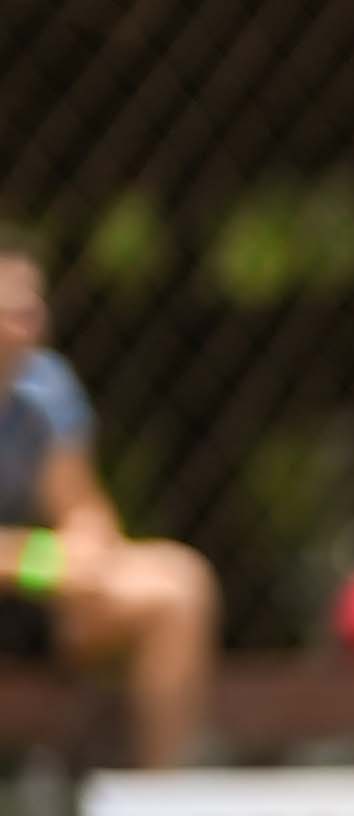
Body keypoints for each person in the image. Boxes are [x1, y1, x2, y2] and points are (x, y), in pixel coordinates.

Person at [0, 229, 219, 768]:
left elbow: (80, 505)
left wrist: (88, 551)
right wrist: (45, 562)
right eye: (11, 306)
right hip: (32, 574)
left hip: (35, 599)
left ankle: (160, 814)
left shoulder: (44, 390)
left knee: (178, 584)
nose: (29, 321)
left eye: (34, 304)